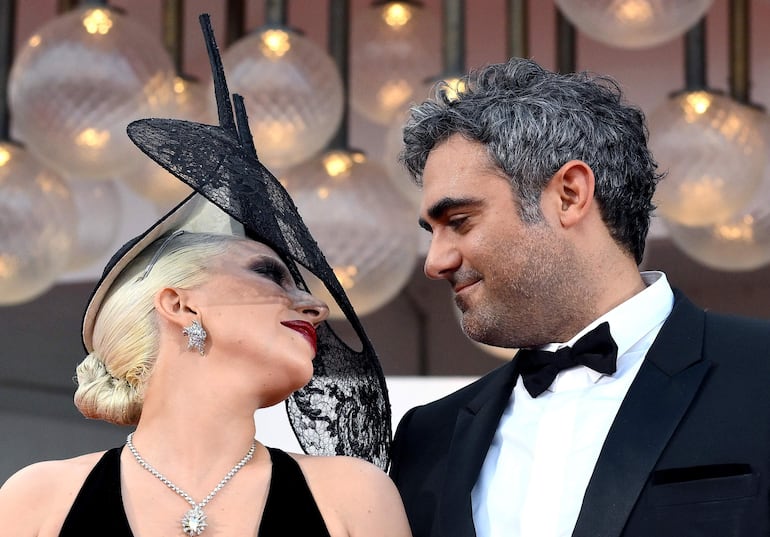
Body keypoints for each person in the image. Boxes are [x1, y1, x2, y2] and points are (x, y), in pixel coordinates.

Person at [0, 15, 411, 537]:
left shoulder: (353, 496)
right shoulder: (37, 502)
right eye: (270, 274)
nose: (315, 307)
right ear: (180, 305)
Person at [388, 56, 770, 537]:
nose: (434, 262)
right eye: (432, 232)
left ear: (569, 194)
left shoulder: (762, 374)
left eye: (459, 222)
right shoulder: (427, 438)